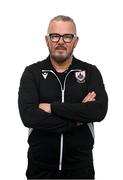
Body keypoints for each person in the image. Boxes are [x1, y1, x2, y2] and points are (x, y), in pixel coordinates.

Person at [18, 15, 108, 179]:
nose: (61, 41)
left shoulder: (90, 72)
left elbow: (99, 111)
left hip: (80, 170)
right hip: (40, 170)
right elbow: (29, 116)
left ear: (75, 41)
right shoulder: (32, 73)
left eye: (67, 36)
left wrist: (52, 108)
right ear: (47, 40)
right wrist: (79, 118)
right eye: (55, 36)